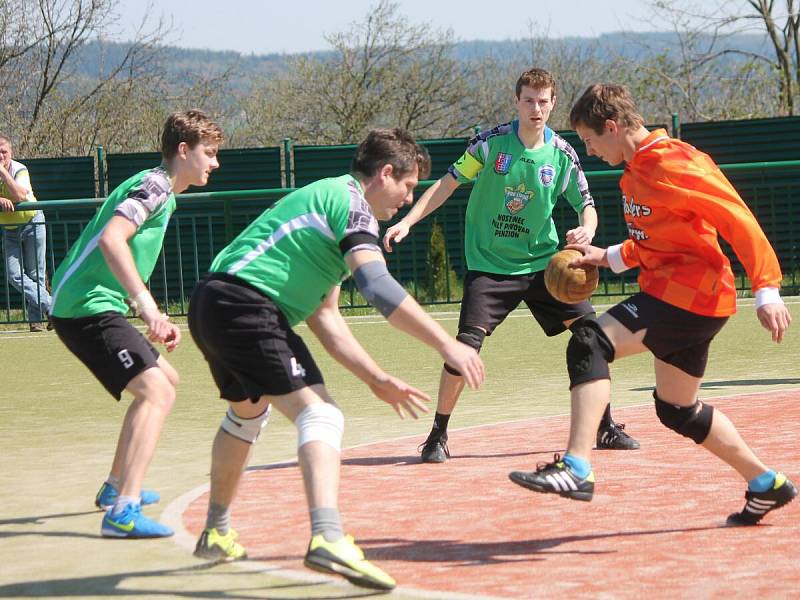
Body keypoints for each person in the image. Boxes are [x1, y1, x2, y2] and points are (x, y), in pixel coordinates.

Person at [187, 128, 484, 590]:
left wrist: (376, 378)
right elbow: (380, 289)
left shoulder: (324, 201)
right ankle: (327, 537)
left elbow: (326, 318)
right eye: (407, 187)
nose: (407, 201)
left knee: (247, 414)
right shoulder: (352, 206)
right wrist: (448, 345)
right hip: (248, 306)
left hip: (212, 303)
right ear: (385, 174)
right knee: (321, 415)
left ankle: (217, 531)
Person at [508, 83, 797, 525]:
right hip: (681, 296)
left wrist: (767, 288)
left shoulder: (676, 162)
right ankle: (766, 483)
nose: (588, 150)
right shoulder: (637, 169)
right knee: (677, 410)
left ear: (612, 126)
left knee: (588, 341)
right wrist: (607, 256)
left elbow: (737, 218)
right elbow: (656, 238)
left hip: (690, 296)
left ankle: (577, 467)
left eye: (590, 140)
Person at [383, 68, 639, 463]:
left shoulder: (563, 154)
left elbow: (586, 206)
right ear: (516, 101)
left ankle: (605, 426)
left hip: (546, 268)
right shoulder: (489, 146)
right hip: (490, 266)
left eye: (543, 101)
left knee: (591, 336)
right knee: (465, 345)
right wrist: (407, 220)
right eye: (529, 100)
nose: (536, 108)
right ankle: (437, 435)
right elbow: (446, 184)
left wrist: (586, 231)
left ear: (553, 104)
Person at [50, 110, 224, 538]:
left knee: (165, 378)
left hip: (94, 303)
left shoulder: (162, 189)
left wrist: (151, 311)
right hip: (84, 307)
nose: (215, 163)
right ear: (183, 151)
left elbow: (123, 253)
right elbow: (112, 239)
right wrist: (146, 308)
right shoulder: (156, 185)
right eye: (210, 153)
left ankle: (114, 489)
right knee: (156, 391)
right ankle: (122, 512)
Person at [0, 136, 52, 331]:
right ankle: (53, 307)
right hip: (9, 229)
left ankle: (36, 322)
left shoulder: (20, 169)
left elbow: (20, 195)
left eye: (3, 151)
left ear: (10, 153)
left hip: (32, 222)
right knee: (14, 275)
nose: (0, 155)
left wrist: (2, 172)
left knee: (36, 273)